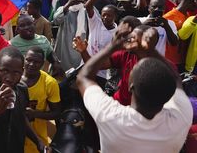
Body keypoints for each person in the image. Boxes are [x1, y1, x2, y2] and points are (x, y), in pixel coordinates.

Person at [76, 22, 193, 153]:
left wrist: (113, 45)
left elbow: (83, 77)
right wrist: (151, 50)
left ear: (131, 87)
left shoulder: (110, 117)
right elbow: (177, 79)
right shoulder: (182, 116)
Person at [0, 46, 45, 153]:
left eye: (16, 72)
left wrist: (38, 141)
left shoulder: (22, 89)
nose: (9, 78)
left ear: (22, 72)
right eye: (4, 71)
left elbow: (21, 116)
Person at [74, 0, 118, 84]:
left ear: (115, 17)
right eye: (104, 15)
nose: (105, 18)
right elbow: (88, 6)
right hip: (85, 65)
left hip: (101, 73)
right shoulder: (96, 23)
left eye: (109, 16)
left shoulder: (117, 33)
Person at [22, 46, 61, 153]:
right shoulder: (14, 77)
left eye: (36, 62)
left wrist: (35, 114)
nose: (31, 64)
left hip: (36, 140)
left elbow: (57, 113)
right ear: (24, 58)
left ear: (43, 63)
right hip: (13, 137)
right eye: (28, 60)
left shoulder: (49, 83)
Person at [52, 0, 89, 71]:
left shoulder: (86, 11)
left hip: (80, 47)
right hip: (64, 46)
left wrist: (88, 3)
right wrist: (68, 4)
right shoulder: (64, 9)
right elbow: (56, 20)